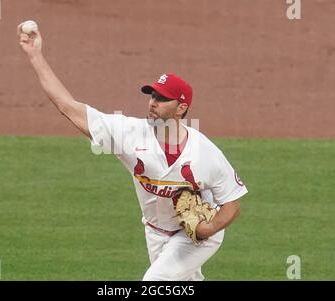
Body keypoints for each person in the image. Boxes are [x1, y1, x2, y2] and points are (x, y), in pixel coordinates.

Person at [17, 25, 248, 281]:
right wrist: (35, 56)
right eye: (152, 95)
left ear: (181, 107)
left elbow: (233, 202)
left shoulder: (205, 154)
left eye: (162, 98)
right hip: (155, 233)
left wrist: (209, 229)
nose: (153, 101)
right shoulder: (128, 134)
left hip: (194, 237)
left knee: (154, 282)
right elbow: (68, 107)